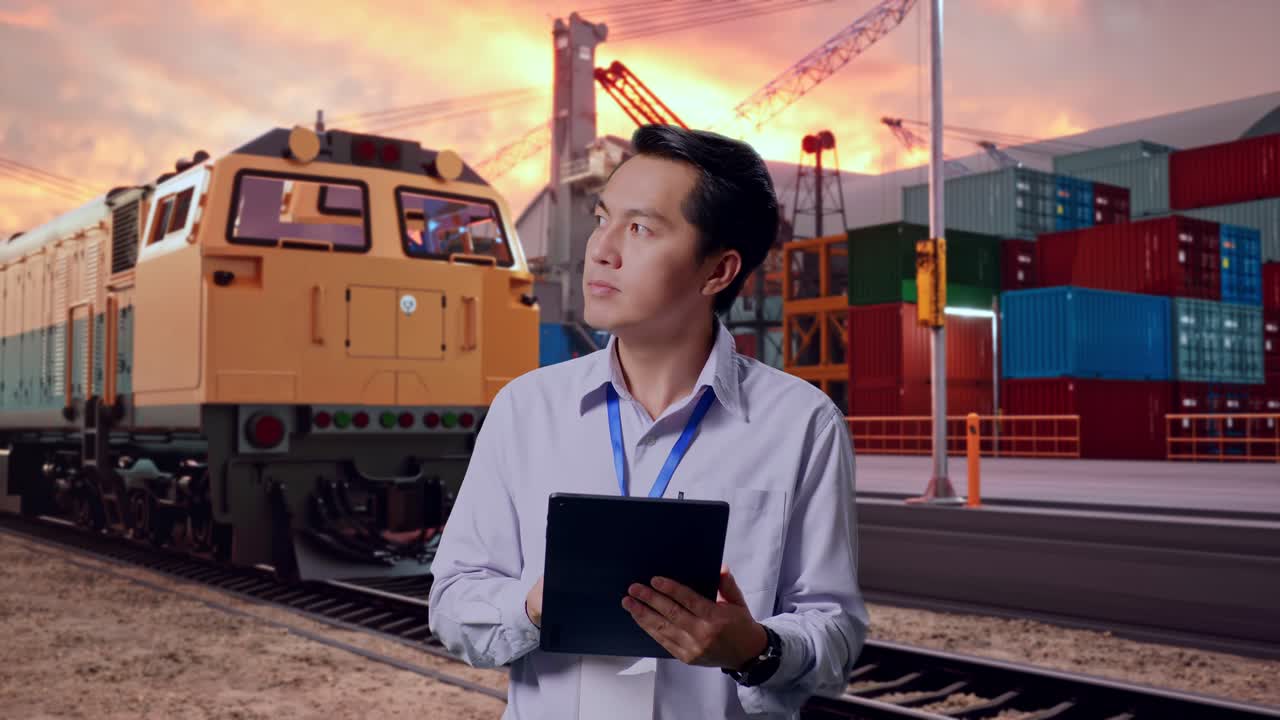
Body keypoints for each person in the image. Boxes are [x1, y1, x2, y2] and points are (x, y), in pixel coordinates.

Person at [428, 124, 867, 719]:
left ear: (718, 271)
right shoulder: (525, 410)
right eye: (601, 218)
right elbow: (452, 602)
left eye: (639, 228)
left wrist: (754, 650)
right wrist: (533, 605)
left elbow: (834, 632)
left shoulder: (803, 427)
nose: (600, 249)